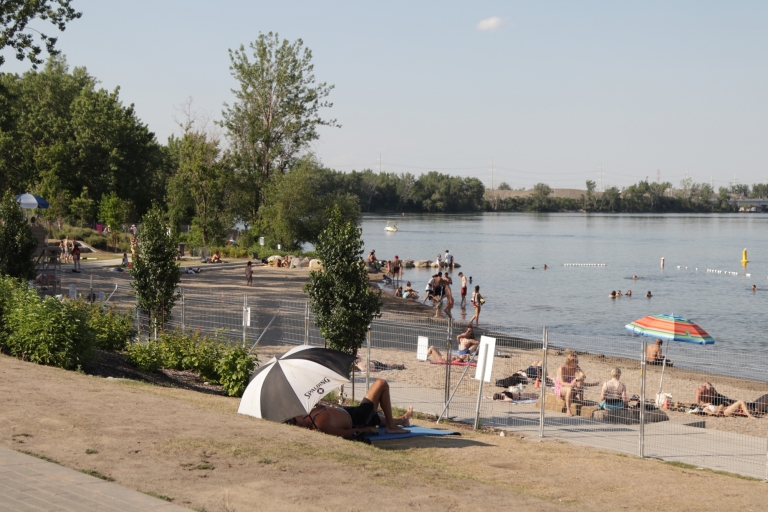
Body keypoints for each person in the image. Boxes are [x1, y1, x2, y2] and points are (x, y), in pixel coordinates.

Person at [289, 379, 411, 437]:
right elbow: (344, 433)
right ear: (298, 425)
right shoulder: (319, 425)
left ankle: (402, 420)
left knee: (374, 417)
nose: (299, 416)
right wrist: (365, 429)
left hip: (346, 411)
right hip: (357, 419)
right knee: (381, 384)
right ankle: (391, 426)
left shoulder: (307, 413)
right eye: (297, 419)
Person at [555, 351, 598, 416]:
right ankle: (568, 410)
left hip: (572, 387)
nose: (576, 362)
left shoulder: (576, 367)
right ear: (569, 361)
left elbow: (583, 375)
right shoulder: (562, 368)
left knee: (581, 380)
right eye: (574, 361)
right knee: (569, 389)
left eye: (577, 361)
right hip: (562, 388)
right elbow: (562, 383)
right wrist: (571, 385)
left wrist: (576, 379)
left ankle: (581, 400)